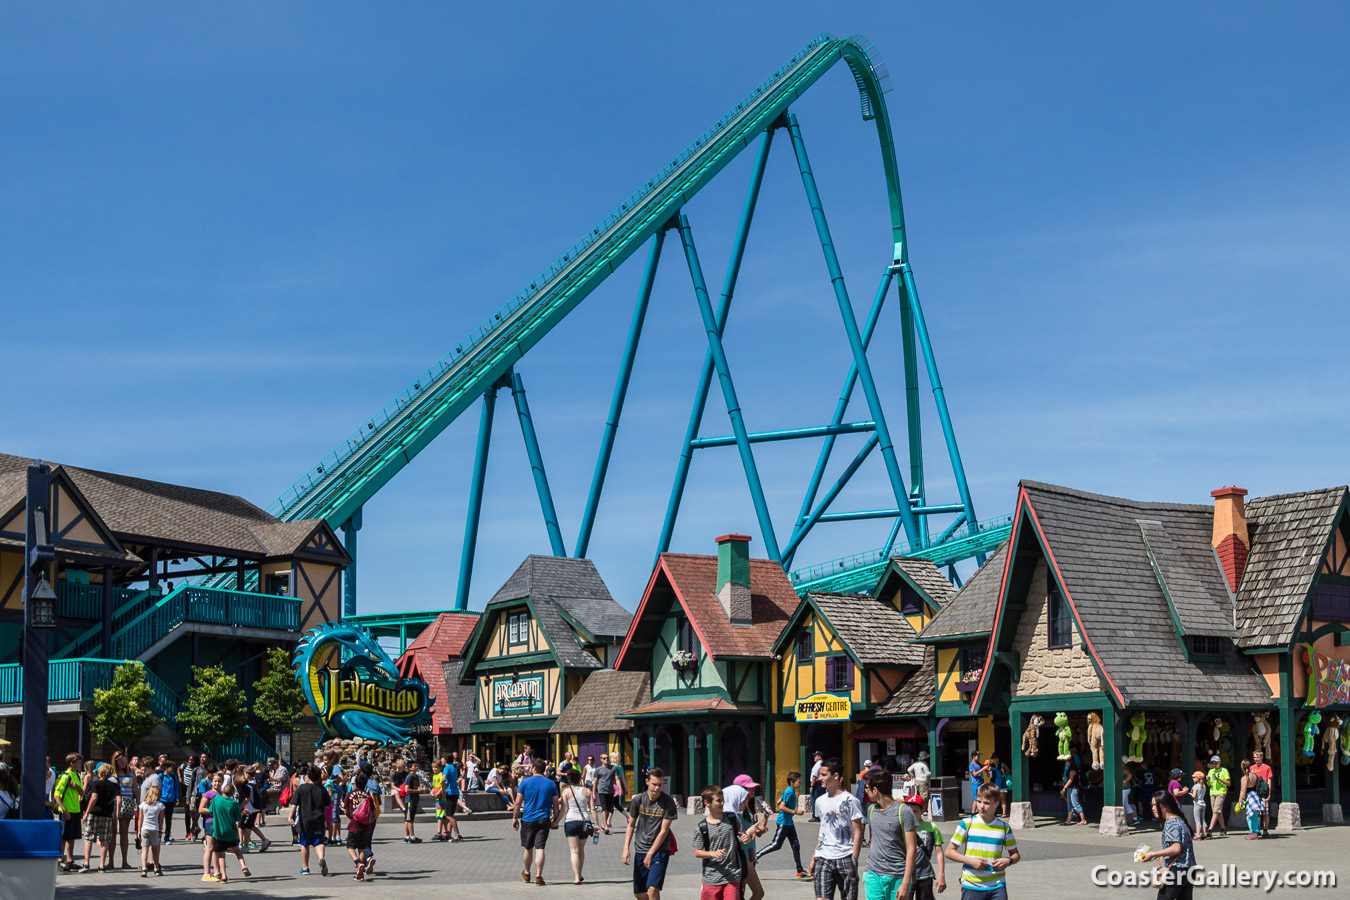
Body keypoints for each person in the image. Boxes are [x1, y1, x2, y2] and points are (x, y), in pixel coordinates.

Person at [945, 783, 1020, 900]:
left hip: (997, 885)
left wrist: (1008, 861)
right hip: (971, 885)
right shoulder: (967, 823)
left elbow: (1016, 855)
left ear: (996, 804)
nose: (981, 807)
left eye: (986, 803)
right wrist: (970, 861)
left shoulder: (1004, 827)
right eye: (979, 801)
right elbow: (949, 851)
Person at [809, 757, 863, 900]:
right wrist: (814, 856)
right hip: (823, 856)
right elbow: (823, 830)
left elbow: (858, 831)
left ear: (836, 776)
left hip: (845, 856)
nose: (820, 778)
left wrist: (854, 859)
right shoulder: (820, 801)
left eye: (824, 775)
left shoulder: (851, 801)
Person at [623, 767, 677, 900]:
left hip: (659, 850)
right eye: (654, 784)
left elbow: (664, 831)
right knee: (639, 893)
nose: (657, 788)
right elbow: (631, 825)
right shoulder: (638, 800)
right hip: (640, 848)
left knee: (653, 889)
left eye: (660, 785)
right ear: (647, 782)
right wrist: (626, 849)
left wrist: (651, 854)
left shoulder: (668, 802)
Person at [862, 769, 916, 900]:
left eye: (867, 788)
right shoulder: (871, 810)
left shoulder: (904, 811)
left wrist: (906, 882)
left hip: (897, 875)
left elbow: (912, 848)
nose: (865, 791)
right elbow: (874, 839)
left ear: (875, 790)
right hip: (872, 873)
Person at [1139, 790, 1197, 900]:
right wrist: (1162, 855)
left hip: (1177, 870)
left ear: (1166, 806)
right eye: (1152, 805)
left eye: (1156, 805)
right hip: (1189, 869)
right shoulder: (1180, 820)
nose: (1153, 808)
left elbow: (1176, 848)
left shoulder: (1171, 823)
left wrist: (1153, 854)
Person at [694, 784, 748, 900]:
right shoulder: (702, 827)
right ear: (707, 803)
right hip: (712, 876)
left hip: (732, 873)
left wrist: (745, 838)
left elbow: (743, 837)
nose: (722, 803)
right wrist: (711, 853)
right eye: (718, 801)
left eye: (723, 800)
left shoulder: (733, 818)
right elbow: (697, 852)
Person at [513, 758, 561, 886]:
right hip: (544, 819)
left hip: (528, 818)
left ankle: (527, 873)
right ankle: (539, 876)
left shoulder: (525, 782)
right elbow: (556, 805)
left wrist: (514, 818)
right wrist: (555, 820)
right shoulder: (551, 783)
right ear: (543, 769)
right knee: (540, 848)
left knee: (528, 848)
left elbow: (517, 802)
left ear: (533, 768)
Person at [721, 775, 768, 900]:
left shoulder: (746, 808)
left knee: (740, 893)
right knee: (754, 892)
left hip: (748, 854)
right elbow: (737, 836)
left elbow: (751, 833)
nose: (752, 791)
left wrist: (764, 820)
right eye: (748, 788)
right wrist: (748, 833)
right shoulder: (734, 813)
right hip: (742, 856)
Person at [756, 770, 808, 878]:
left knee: (796, 845)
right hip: (783, 823)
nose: (800, 784)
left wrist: (781, 799)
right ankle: (757, 855)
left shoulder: (789, 791)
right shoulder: (789, 792)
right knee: (776, 845)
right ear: (792, 782)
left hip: (789, 823)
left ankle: (800, 870)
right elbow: (781, 807)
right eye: (799, 782)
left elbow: (779, 801)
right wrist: (795, 812)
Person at [906, 792, 947, 900]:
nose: (912, 814)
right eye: (909, 811)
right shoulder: (901, 828)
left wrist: (941, 875)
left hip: (925, 874)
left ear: (922, 811)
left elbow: (939, 852)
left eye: (915, 811)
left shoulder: (931, 827)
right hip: (905, 874)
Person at [292, 765, 331, 876]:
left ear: (308, 776)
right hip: (318, 819)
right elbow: (328, 804)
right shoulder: (322, 789)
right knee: (319, 842)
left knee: (305, 844)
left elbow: (294, 804)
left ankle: (305, 867)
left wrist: (290, 817)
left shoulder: (301, 788)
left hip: (305, 820)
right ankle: (321, 858)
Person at [208, 780, 250, 882]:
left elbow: (210, 811)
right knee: (237, 851)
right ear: (232, 794)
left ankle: (223, 875)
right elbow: (237, 818)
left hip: (219, 832)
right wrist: (243, 813)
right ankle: (243, 865)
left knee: (221, 855)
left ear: (222, 790)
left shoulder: (216, 799)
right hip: (231, 832)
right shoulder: (234, 803)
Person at [81, 763, 119, 873]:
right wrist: (116, 814)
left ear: (99, 772)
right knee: (104, 839)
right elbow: (119, 799)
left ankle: (86, 863)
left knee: (88, 837)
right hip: (107, 814)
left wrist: (86, 812)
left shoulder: (95, 784)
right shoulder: (114, 785)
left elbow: (94, 798)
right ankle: (102, 865)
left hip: (95, 812)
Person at [561, 767, 596, 884]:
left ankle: (576, 877)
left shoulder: (566, 791)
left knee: (574, 851)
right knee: (581, 850)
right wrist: (596, 824)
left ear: (569, 779)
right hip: (584, 821)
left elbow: (564, 809)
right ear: (580, 778)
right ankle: (580, 874)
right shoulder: (588, 791)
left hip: (570, 821)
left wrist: (555, 821)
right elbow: (592, 809)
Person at [53, 752, 85, 871]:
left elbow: (82, 793)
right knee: (63, 836)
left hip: (75, 810)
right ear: (71, 763)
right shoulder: (66, 776)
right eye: (78, 762)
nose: (80, 765)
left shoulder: (76, 776)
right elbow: (57, 795)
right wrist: (64, 810)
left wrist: (76, 787)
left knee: (72, 837)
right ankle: (60, 859)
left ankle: (70, 860)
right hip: (67, 810)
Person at [344, 772, 378, 881]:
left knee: (350, 846)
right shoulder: (368, 796)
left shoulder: (350, 795)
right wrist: (370, 821)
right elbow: (374, 812)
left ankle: (358, 863)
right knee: (362, 847)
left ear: (355, 783)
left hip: (354, 825)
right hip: (366, 826)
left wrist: (351, 817)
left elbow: (345, 810)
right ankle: (360, 872)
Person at [111, 751, 137, 869]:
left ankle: (124, 861)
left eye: (125, 761)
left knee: (124, 832)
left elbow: (135, 788)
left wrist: (139, 803)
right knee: (112, 833)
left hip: (127, 804)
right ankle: (110, 861)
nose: (123, 763)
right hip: (113, 804)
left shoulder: (131, 772)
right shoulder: (111, 773)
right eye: (120, 761)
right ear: (115, 762)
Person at [593, 752, 627, 834]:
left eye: (607, 758)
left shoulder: (613, 768)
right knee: (604, 808)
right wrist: (593, 793)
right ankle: (605, 825)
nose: (606, 759)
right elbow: (595, 782)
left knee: (609, 809)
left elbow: (617, 779)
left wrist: (620, 789)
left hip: (610, 791)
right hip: (602, 791)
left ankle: (604, 824)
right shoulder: (598, 770)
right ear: (601, 759)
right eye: (604, 758)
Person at [138, 784, 164, 876]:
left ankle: (144, 868)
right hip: (155, 829)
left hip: (145, 828)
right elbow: (160, 820)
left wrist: (139, 830)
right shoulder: (160, 805)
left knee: (144, 849)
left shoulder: (143, 805)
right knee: (155, 849)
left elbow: (140, 818)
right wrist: (161, 830)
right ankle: (156, 868)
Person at [1237, 760, 1266, 840]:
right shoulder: (1254, 775)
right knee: (1256, 815)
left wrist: (1240, 801)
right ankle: (1257, 830)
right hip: (1256, 796)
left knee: (1250, 816)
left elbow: (1243, 790)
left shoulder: (1244, 778)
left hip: (1250, 797)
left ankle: (1254, 833)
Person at [1249, 751, 1273, 837]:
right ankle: (1257, 829)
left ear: (1262, 757)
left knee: (1265, 812)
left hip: (1263, 792)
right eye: (1255, 757)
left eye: (1258, 757)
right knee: (1257, 812)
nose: (1256, 759)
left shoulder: (1267, 767)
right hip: (1255, 793)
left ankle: (1265, 830)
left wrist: (1269, 793)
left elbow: (1269, 780)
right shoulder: (1251, 768)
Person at [440, 756, 463, 841]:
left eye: (442, 758)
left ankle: (457, 834)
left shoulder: (446, 768)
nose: (441, 760)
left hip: (449, 792)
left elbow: (443, 780)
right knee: (450, 814)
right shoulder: (453, 767)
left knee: (448, 815)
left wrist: (443, 790)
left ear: (445, 759)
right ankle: (448, 834)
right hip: (455, 792)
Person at [1205, 755, 1230, 837]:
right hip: (1212, 792)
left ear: (1219, 762)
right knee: (1218, 812)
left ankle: (1210, 830)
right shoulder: (1211, 771)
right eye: (1213, 763)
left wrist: (1218, 779)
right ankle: (1223, 828)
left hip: (1221, 792)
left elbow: (1228, 783)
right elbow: (1209, 785)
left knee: (1216, 811)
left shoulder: (1224, 771)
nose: (1214, 764)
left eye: (1216, 763)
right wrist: (1208, 780)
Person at [398, 761, 422, 843]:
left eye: (417, 766)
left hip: (414, 800)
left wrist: (420, 789)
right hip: (410, 800)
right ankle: (412, 837)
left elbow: (417, 787)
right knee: (409, 819)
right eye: (414, 766)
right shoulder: (409, 777)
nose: (416, 767)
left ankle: (407, 836)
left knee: (408, 819)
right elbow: (406, 789)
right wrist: (417, 791)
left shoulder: (416, 776)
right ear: (410, 768)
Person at [808, 751, 825, 821]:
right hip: (820, 784)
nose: (814, 757)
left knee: (814, 801)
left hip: (816, 784)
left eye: (815, 756)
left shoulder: (818, 764)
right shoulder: (822, 763)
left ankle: (816, 816)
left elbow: (814, 776)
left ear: (819, 757)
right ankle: (819, 815)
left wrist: (812, 786)